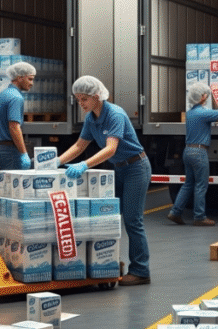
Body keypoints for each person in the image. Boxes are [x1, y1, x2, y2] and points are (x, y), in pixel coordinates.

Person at [58, 76, 151, 286]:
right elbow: (80, 146)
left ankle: (141, 270)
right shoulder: (91, 118)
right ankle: (107, 261)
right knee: (108, 216)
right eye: (78, 99)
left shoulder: (114, 114)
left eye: (84, 99)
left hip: (136, 167)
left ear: (96, 96)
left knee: (132, 220)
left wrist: (83, 165)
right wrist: (56, 161)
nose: (80, 103)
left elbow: (110, 149)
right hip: (118, 168)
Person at [168, 83, 218, 226]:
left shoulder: (190, 113)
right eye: (206, 94)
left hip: (188, 151)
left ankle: (175, 212)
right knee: (201, 185)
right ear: (202, 97)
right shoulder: (203, 113)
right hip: (199, 152)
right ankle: (199, 217)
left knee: (188, 184)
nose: (207, 96)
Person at [0, 62, 36, 171]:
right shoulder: (16, 98)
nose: (32, 83)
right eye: (30, 79)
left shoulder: (3, 94)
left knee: (3, 187)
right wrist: (24, 153)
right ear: (20, 78)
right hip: (10, 152)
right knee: (15, 187)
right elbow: (14, 127)